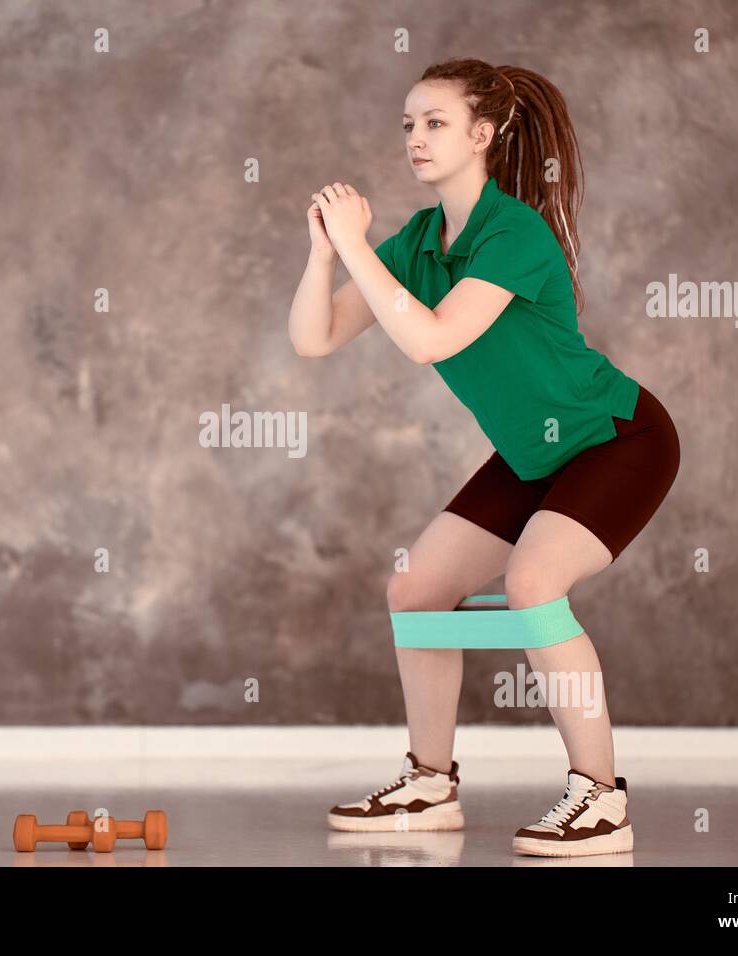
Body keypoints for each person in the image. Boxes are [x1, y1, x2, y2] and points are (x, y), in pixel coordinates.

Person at [287, 58, 680, 856]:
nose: (415, 139)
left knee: (535, 583)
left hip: (616, 439)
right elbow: (315, 337)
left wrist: (360, 247)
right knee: (417, 587)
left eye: (434, 122)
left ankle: (600, 797)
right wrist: (326, 254)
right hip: (532, 456)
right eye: (407, 125)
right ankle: (430, 782)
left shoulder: (515, 233)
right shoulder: (419, 242)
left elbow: (431, 337)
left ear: (483, 134)